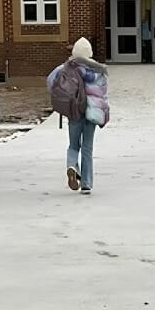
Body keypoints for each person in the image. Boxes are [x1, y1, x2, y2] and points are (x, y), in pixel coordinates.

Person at [47, 38, 110, 195]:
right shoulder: (98, 70)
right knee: (87, 147)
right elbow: (103, 92)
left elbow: (50, 81)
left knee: (73, 144)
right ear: (90, 53)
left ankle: (72, 165)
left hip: (74, 110)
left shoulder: (66, 68)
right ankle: (86, 184)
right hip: (92, 113)